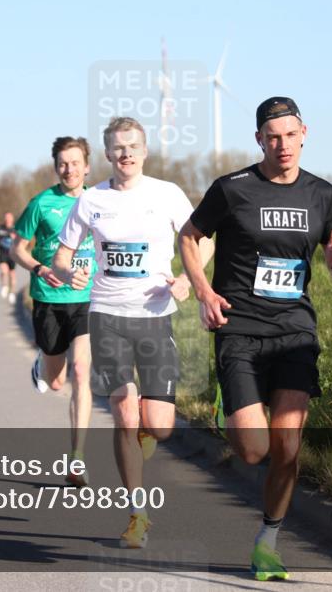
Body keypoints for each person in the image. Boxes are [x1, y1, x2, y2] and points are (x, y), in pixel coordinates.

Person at [177, 97, 332, 581]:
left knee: (288, 444)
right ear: (259, 140)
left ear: (304, 134)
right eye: (272, 137)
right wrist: (202, 289)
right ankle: (229, 404)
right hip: (240, 328)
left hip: (295, 329)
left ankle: (268, 541)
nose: (282, 145)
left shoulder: (322, 194)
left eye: (290, 134)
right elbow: (189, 237)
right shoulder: (232, 189)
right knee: (253, 449)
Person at [53, 117, 213, 549]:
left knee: (158, 427)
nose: (126, 154)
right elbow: (63, 255)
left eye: (133, 147)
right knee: (125, 411)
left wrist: (189, 278)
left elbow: (204, 239)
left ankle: (147, 433)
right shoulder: (90, 201)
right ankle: (137, 515)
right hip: (107, 315)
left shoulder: (168, 195)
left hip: (155, 315)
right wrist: (67, 273)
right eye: (118, 148)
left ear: (145, 151)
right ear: (106, 154)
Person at [11, 136, 96, 487]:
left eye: (75, 162)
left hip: (88, 299)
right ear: (55, 167)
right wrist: (37, 268)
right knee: (57, 379)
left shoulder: (99, 201)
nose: (69, 169)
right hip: (48, 298)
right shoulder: (41, 203)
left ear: (87, 166)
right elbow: (18, 248)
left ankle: (77, 458)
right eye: (63, 163)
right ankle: (42, 363)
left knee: (80, 371)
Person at [0, 212, 18, 304]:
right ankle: (4, 286)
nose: (7, 219)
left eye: (9, 217)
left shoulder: (16, 229)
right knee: (3, 271)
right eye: (6, 217)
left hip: (12, 254)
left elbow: (21, 240)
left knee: (12, 274)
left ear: (12, 219)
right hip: (2, 253)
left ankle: (12, 293)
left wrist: (15, 238)